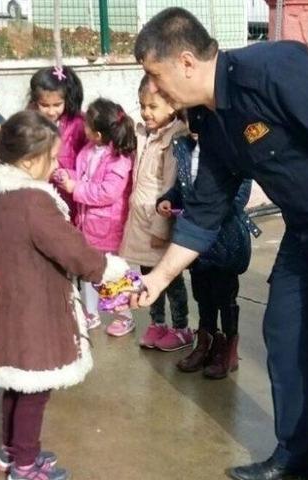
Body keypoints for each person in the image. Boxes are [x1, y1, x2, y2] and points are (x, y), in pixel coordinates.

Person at [130, 8, 308, 480]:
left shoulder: (273, 68)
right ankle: (297, 457)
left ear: (184, 61)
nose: (153, 90)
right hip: (306, 225)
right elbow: (205, 210)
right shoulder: (209, 118)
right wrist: (158, 279)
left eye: (154, 77)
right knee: (284, 334)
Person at [0, 111, 130, 480]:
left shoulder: (5, 197)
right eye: (52, 158)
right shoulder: (34, 201)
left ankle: (10, 451)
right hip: (36, 311)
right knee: (35, 388)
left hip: (13, 307)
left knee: (15, 385)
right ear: (31, 161)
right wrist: (107, 269)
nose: (55, 165)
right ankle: (25, 465)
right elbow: (70, 248)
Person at [161, 130, 259, 379]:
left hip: (225, 236)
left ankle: (226, 349)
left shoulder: (232, 145)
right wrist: (167, 200)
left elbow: (239, 194)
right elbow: (181, 187)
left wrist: (201, 211)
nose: (197, 125)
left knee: (224, 293)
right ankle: (204, 343)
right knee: (202, 292)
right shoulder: (183, 146)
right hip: (196, 238)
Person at [119, 76, 192, 351]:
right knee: (147, 275)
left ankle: (181, 327)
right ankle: (157, 323)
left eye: (153, 106)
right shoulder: (145, 133)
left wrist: (162, 228)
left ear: (172, 106)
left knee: (170, 280)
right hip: (141, 222)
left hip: (159, 222)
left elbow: (171, 185)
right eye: (142, 105)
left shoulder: (176, 137)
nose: (146, 112)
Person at [54, 98, 136, 337]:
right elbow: (82, 175)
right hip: (88, 225)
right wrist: (66, 175)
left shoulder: (119, 159)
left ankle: (124, 314)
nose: (83, 127)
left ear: (98, 134)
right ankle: (91, 313)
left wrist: (74, 188)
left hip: (107, 228)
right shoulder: (89, 151)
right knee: (89, 272)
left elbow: (107, 192)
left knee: (113, 274)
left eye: (87, 125)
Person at [27, 65, 87, 218]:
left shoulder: (80, 124)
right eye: (45, 105)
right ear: (35, 101)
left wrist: (68, 175)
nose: (51, 111)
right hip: (40, 194)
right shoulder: (29, 123)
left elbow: (90, 164)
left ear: (67, 100)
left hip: (71, 195)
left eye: (57, 105)